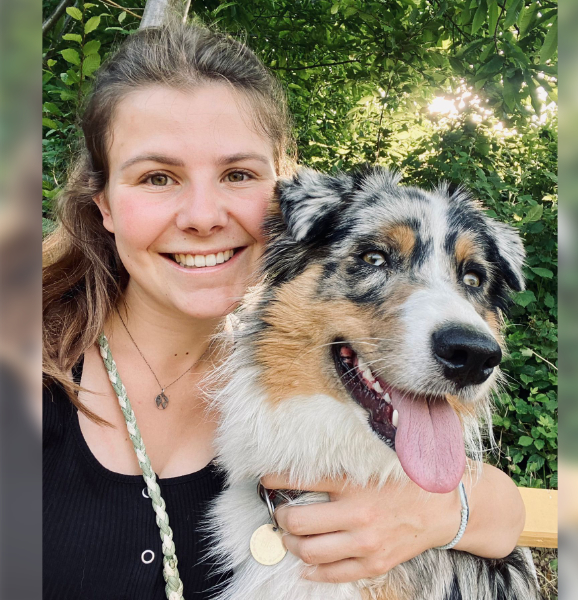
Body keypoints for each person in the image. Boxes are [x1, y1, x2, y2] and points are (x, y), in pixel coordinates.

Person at [42, 21, 526, 600]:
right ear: (104, 205)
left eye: (237, 174)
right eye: (157, 177)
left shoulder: (321, 392)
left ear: (279, 196)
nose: (203, 216)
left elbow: (499, 514)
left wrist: (451, 509)